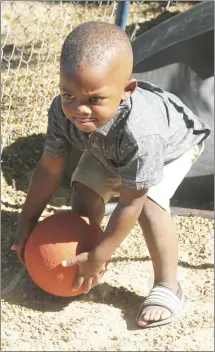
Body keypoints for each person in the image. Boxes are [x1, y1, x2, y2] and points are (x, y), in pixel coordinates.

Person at [12, 21, 210, 328]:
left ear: (126, 91)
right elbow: (50, 168)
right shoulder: (60, 112)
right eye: (68, 94)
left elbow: (131, 201)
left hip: (171, 147)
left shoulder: (142, 135)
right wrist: (26, 225)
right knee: (84, 190)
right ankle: (82, 258)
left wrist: (103, 253)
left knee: (150, 206)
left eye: (93, 99)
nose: (79, 109)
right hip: (105, 147)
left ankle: (168, 286)